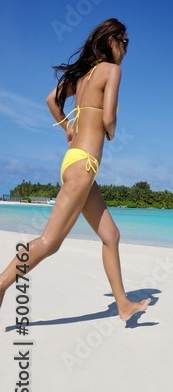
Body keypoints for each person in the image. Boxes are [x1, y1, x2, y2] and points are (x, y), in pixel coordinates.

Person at [0, 19, 150, 321]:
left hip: (76, 162)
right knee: (49, 242)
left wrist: (69, 127)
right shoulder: (111, 71)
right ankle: (1, 284)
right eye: (124, 41)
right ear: (111, 41)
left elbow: (50, 100)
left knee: (111, 235)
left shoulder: (83, 77)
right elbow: (108, 118)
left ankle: (122, 304)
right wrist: (112, 132)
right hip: (84, 165)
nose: (126, 49)